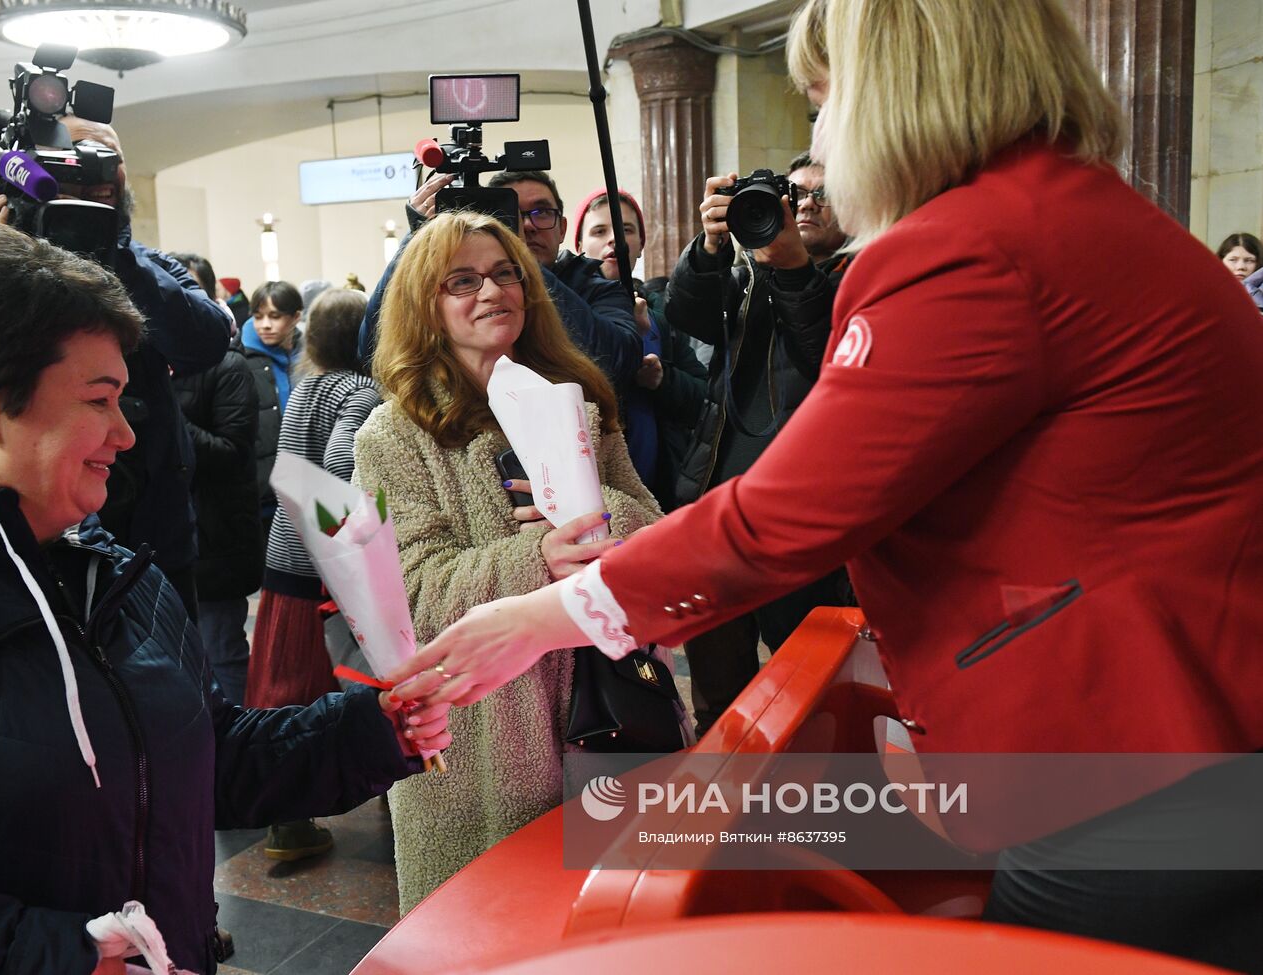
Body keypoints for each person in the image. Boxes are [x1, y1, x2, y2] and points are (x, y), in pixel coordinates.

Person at [393, 1, 1263, 968]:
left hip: (1138, 750)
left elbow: (781, 516)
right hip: (1191, 735)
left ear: (891, 91)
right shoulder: (1069, 210)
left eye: (820, 100)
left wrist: (539, 616)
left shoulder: (970, 242)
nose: (820, 136)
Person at [0, 225, 449, 975]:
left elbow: (208, 760)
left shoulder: (114, 573)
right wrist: (63, 959)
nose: (125, 433)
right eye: (99, 400)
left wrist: (375, 731)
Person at [354, 210, 662, 913]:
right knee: (490, 926)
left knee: (611, 925)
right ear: (424, 306)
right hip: (481, 744)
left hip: (608, 705)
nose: (490, 291)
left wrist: (604, 517)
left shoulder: (578, 402)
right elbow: (406, 597)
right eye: (461, 280)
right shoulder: (393, 434)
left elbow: (654, 525)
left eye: (504, 273)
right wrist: (536, 556)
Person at [0, 116, 230, 620]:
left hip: (155, 532)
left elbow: (204, 343)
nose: (84, 183)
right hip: (38, 525)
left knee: (177, 683)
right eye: (67, 165)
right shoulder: (0, 262)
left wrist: (117, 251)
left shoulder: (150, 265)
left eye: (102, 169)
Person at [661, 150, 853, 734]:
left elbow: (826, 356)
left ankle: (815, 815)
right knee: (720, 700)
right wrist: (710, 247)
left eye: (824, 194)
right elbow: (686, 316)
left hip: (804, 525)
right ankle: (732, 816)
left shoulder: (858, 278)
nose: (807, 205)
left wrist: (792, 267)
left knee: (812, 692)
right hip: (716, 510)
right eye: (795, 194)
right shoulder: (745, 280)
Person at [245, 287, 379, 861]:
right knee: (344, 680)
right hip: (329, 556)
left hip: (286, 545)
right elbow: (343, 464)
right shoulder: (361, 388)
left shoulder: (306, 385)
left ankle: (287, 816)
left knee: (281, 682)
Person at [357, 170, 643, 391]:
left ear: (563, 228)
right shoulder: (462, 291)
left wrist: (518, 257)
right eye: (510, 216)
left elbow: (618, 362)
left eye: (541, 212)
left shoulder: (597, 286)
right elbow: (372, 352)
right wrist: (416, 240)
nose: (527, 226)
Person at [571, 188, 708, 510]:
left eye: (625, 230)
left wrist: (663, 380)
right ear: (578, 244)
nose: (613, 241)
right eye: (599, 231)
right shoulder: (564, 309)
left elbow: (706, 401)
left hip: (664, 492)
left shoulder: (665, 316)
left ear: (641, 244)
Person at [169, 252, 262, 706]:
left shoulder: (229, 367)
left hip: (216, 541)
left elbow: (230, 453)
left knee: (222, 653)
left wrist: (165, 416)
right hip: (165, 540)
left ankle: (242, 759)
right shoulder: (151, 366)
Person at [235, 281, 303, 529]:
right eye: (258, 316)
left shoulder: (308, 357)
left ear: (296, 317)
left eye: (275, 316)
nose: (265, 324)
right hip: (262, 492)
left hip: (304, 486)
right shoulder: (242, 359)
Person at [1216, 232, 1263, 311]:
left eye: (1249, 260)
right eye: (1233, 260)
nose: (1240, 267)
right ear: (1221, 261)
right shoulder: (1209, 292)